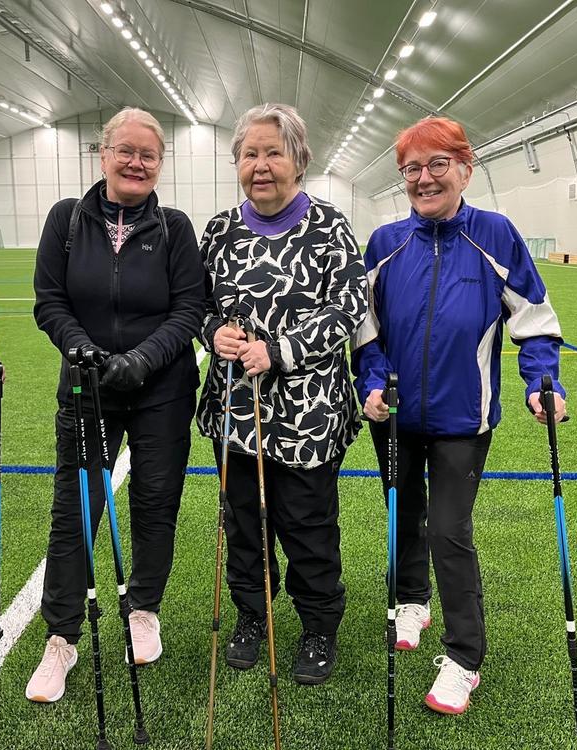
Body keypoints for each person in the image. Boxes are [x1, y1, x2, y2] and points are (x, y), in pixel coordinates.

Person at [352, 115, 567, 715]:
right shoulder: (384, 242)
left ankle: (464, 657)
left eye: (437, 165)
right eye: (411, 169)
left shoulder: (495, 234)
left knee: (449, 530)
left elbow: (534, 320)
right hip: (394, 416)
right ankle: (411, 598)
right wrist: (372, 381)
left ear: (466, 170)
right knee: (403, 513)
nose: (423, 179)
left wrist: (542, 383)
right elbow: (366, 331)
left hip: (463, 420)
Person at [29, 107, 205, 702]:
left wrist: (143, 359)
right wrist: (82, 349)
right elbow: (50, 300)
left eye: (147, 155)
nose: (135, 162)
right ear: (102, 155)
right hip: (87, 391)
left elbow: (189, 308)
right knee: (75, 511)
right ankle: (62, 637)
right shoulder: (66, 219)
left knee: (156, 505)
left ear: (160, 164)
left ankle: (144, 609)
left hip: (162, 392)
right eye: (124, 151)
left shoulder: (175, 227)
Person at [197, 103, 368, 685]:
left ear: (299, 160)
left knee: (307, 526)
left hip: (308, 414)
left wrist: (281, 350)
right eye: (250, 154)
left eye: (274, 152)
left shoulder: (329, 226)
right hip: (235, 411)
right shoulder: (220, 230)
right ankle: (253, 614)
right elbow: (196, 305)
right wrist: (212, 332)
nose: (261, 165)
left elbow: (349, 307)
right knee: (243, 524)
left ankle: (319, 625)